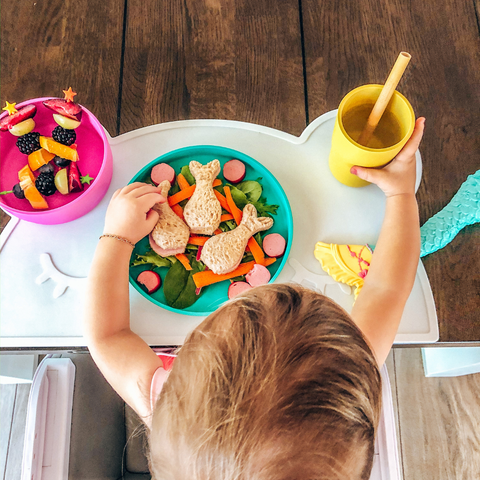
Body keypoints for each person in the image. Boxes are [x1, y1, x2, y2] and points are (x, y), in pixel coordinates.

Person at [84, 117, 425, 479]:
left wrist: (117, 237)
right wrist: (401, 195)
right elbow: (387, 288)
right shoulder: (344, 368)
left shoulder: (171, 403)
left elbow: (107, 335)